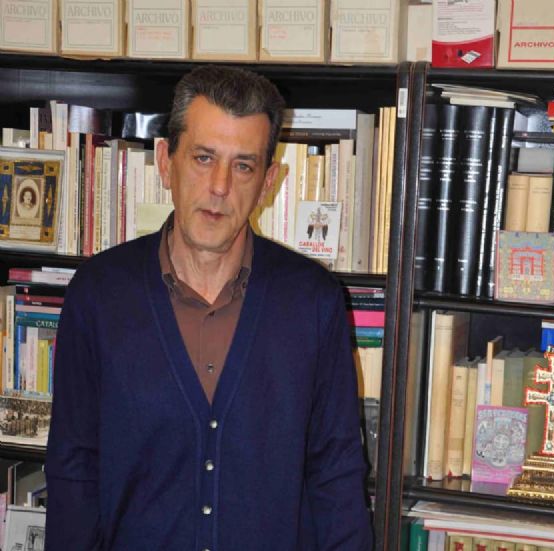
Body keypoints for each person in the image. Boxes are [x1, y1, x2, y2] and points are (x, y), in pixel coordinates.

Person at [44, 66, 373, 550]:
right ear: (165, 161)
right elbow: (73, 472)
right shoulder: (98, 295)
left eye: (243, 166)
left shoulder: (313, 302)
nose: (220, 186)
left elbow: (337, 474)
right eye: (203, 158)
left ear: (268, 182)